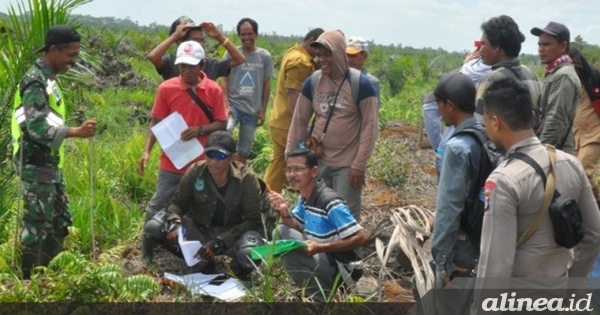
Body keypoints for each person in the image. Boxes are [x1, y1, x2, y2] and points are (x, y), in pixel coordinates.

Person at [476, 77, 600, 285]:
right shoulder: (571, 164)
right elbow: (594, 233)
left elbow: (496, 265)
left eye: (486, 120)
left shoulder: (503, 181)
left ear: (495, 122)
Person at [10, 25, 97, 279]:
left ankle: (50, 278)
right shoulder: (35, 80)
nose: (74, 60)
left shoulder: (49, 78)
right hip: (35, 165)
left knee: (60, 220)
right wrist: (75, 132)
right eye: (70, 54)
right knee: (37, 226)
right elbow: (36, 127)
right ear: (54, 50)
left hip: (49, 165)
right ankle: (29, 285)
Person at [138, 40, 228, 263]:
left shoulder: (214, 90)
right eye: (182, 67)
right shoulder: (166, 88)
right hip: (173, 160)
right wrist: (147, 151)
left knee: (200, 209)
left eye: (192, 66)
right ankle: (146, 252)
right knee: (157, 206)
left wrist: (200, 130)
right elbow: (156, 121)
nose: (186, 71)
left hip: (202, 163)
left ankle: (193, 255)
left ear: (203, 65)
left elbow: (222, 123)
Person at [285, 29, 379, 221]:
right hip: (318, 161)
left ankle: (347, 251)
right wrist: (290, 157)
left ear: (338, 53)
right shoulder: (313, 82)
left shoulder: (361, 84)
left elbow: (370, 126)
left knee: (344, 214)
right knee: (315, 210)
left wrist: (359, 164)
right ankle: (319, 248)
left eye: (328, 54)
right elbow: (299, 120)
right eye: (318, 55)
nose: (322, 59)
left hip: (347, 164)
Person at [144, 131, 264, 278]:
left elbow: (253, 221)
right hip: (200, 231)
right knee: (155, 227)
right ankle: (200, 261)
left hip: (233, 234)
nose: (214, 161)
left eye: (220, 156)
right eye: (210, 155)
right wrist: (175, 223)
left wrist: (221, 241)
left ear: (232, 157)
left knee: (249, 252)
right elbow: (176, 205)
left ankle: (238, 269)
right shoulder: (195, 171)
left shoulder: (247, 179)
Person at [268, 148, 367, 301]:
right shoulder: (305, 197)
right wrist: (283, 210)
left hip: (343, 268)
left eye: (298, 169)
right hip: (325, 259)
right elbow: (295, 226)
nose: (292, 174)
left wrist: (320, 247)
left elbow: (361, 237)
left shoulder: (329, 200)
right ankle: (317, 291)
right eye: (289, 169)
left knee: (291, 255)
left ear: (314, 171)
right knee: (280, 232)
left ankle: (322, 300)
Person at [430, 72, 482, 292]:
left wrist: (442, 263)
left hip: (461, 243)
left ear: (450, 105)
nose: (439, 113)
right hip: (480, 232)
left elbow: (449, 208)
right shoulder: (486, 131)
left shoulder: (457, 147)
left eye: (439, 105)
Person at [263, 28, 324, 193]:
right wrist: (302, 128)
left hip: (279, 120)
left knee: (279, 163)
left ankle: (268, 197)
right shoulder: (300, 62)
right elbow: (293, 96)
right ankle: (277, 197)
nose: (320, 53)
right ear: (311, 41)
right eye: (318, 48)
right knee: (298, 163)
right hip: (289, 124)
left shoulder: (294, 53)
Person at [421, 43, 491, 173]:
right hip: (481, 147)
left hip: (449, 145)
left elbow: (429, 106)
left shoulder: (462, 73)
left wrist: (438, 145)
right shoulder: (496, 77)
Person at [222, 17, 274, 164]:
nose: (246, 38)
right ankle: (225, 165)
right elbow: (224, 79)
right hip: (234, 105)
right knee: (226, 131)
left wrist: (263, 110)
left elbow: (266, 84)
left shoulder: (264, 56)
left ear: (256, 34)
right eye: (243, 34)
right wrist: (226, 104)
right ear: (239, 36)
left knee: (245, 149)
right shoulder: (232, 53)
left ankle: (239, 175)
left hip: (252, 109)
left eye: (250, 34)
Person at [475, 15, 542, 120]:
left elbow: (479, 123)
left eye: (483, 44)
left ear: (497, 47)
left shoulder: (490, 80)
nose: (480, 50)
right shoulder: (531, 75)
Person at [531, 21, 581, 153]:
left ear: (563, 45)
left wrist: (540, 153)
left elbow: (555, 120)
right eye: (540, 44)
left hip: (555, 152)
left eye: (546, 44)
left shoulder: (563, 76)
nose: (541, 49)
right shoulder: (554, 72)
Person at [147, 16, 245, 81]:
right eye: (195, 40)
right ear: (180, 42)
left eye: (201, 40)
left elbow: (240, 59)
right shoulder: (171, 63)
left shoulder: (210, 64)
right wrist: (174, 36)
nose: (200, 44)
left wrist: (219, 36)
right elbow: (153, 57)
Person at [569, 47, 600, 198]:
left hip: (595, 134)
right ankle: (595, 204)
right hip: (576, 136)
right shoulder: (567, 83)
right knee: (576, 172)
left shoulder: (595, 78)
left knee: (582, 170)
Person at [345, 36, 380, 107]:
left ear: (365, 56)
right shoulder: (340, 78)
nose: (349, 59)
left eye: (353, 56)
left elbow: (373, 111)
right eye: (347, 55)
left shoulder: (371, 82)